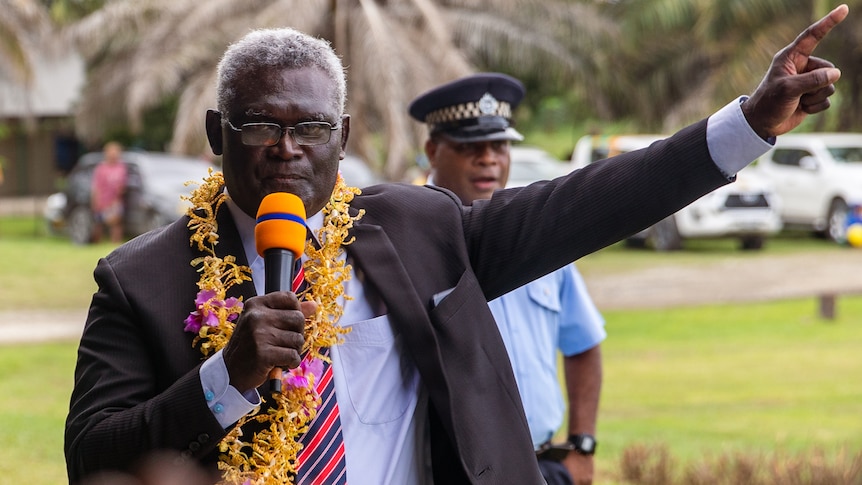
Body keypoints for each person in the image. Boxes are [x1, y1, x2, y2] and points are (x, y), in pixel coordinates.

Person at [65, 5, 849, 485]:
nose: (285, 148)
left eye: (307, 128)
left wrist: (749, 119)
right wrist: (225, 376)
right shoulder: (141, 281)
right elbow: (94, 458)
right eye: (260, 125)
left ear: (340, 138)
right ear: (215, 135)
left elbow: (594, 201)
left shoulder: (421, 227)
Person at [409, 73, 605, 485]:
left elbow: (583, 343)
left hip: (543, 467)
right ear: (432, 150)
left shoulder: (538, 236)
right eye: (469, 147)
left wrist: (582, 445)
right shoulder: (405, 239)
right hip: (447, 472)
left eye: (499, 145)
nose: (489, 159)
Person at [89, 141, 128, 243]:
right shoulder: (101, 168)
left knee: (116, 223)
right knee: (99, 224)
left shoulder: (121, 168)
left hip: (115, 201)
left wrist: (117, 198)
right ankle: (97, 243)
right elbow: (96, 187)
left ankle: (115, 243)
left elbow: (122, 185)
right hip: (102, 201)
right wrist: (96, 201)